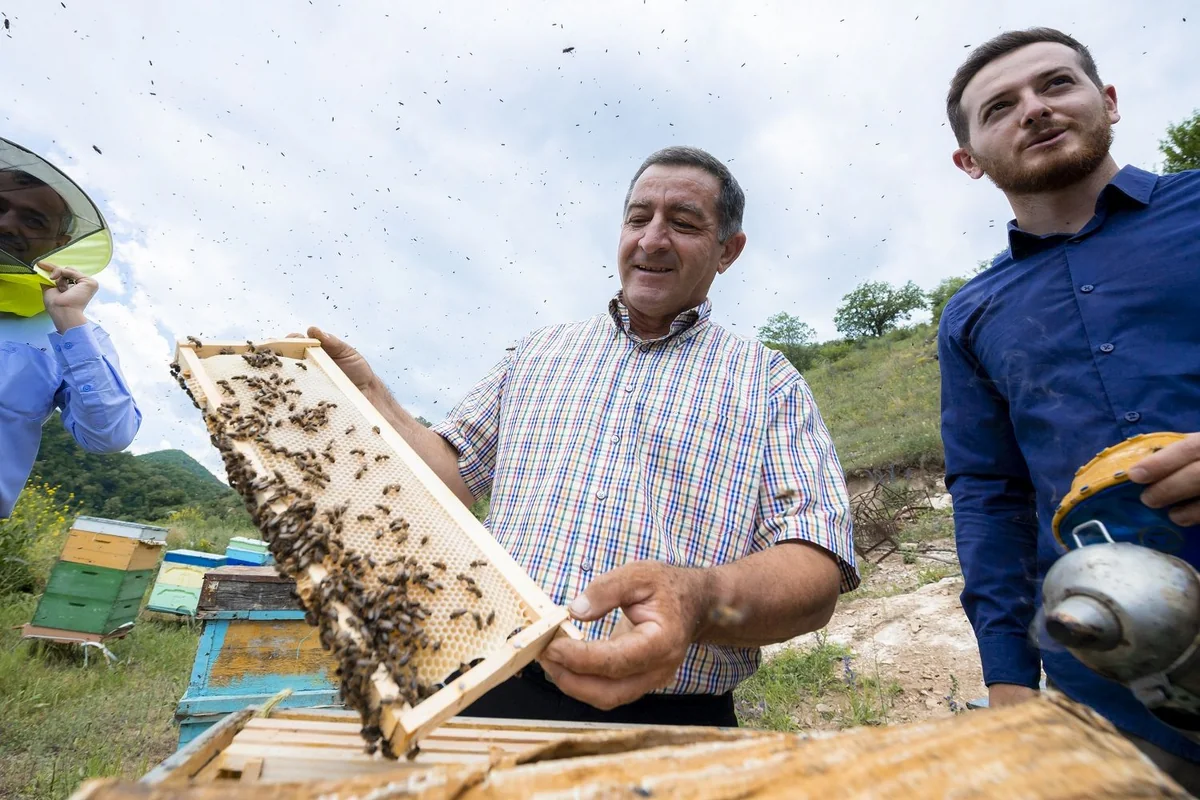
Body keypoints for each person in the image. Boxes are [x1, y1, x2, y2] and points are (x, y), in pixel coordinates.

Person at [307, 145, 859, 726]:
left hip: (669, 720)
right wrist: (372, 397)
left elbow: (814, 572)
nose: (652, 240)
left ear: (728, 250)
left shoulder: (768, 383)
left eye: (683, 223)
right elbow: (448, 473)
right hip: (486, 692)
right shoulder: (538, 353)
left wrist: (697, 601)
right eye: (638, 218)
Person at [939, 27, 1200, 790]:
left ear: (1108, 101)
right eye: (1000, 108)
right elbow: (990, 498)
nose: (1034, 109)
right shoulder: (971, 317)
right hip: (1115, 692)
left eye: (1056, 84)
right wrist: (1009, 681)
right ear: (969, 160)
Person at [0, 159, 141, 520]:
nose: (6, 223)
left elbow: (109, 435)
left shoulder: (71, 332)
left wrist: (67, 317)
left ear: (58, 244)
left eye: (33, 221)